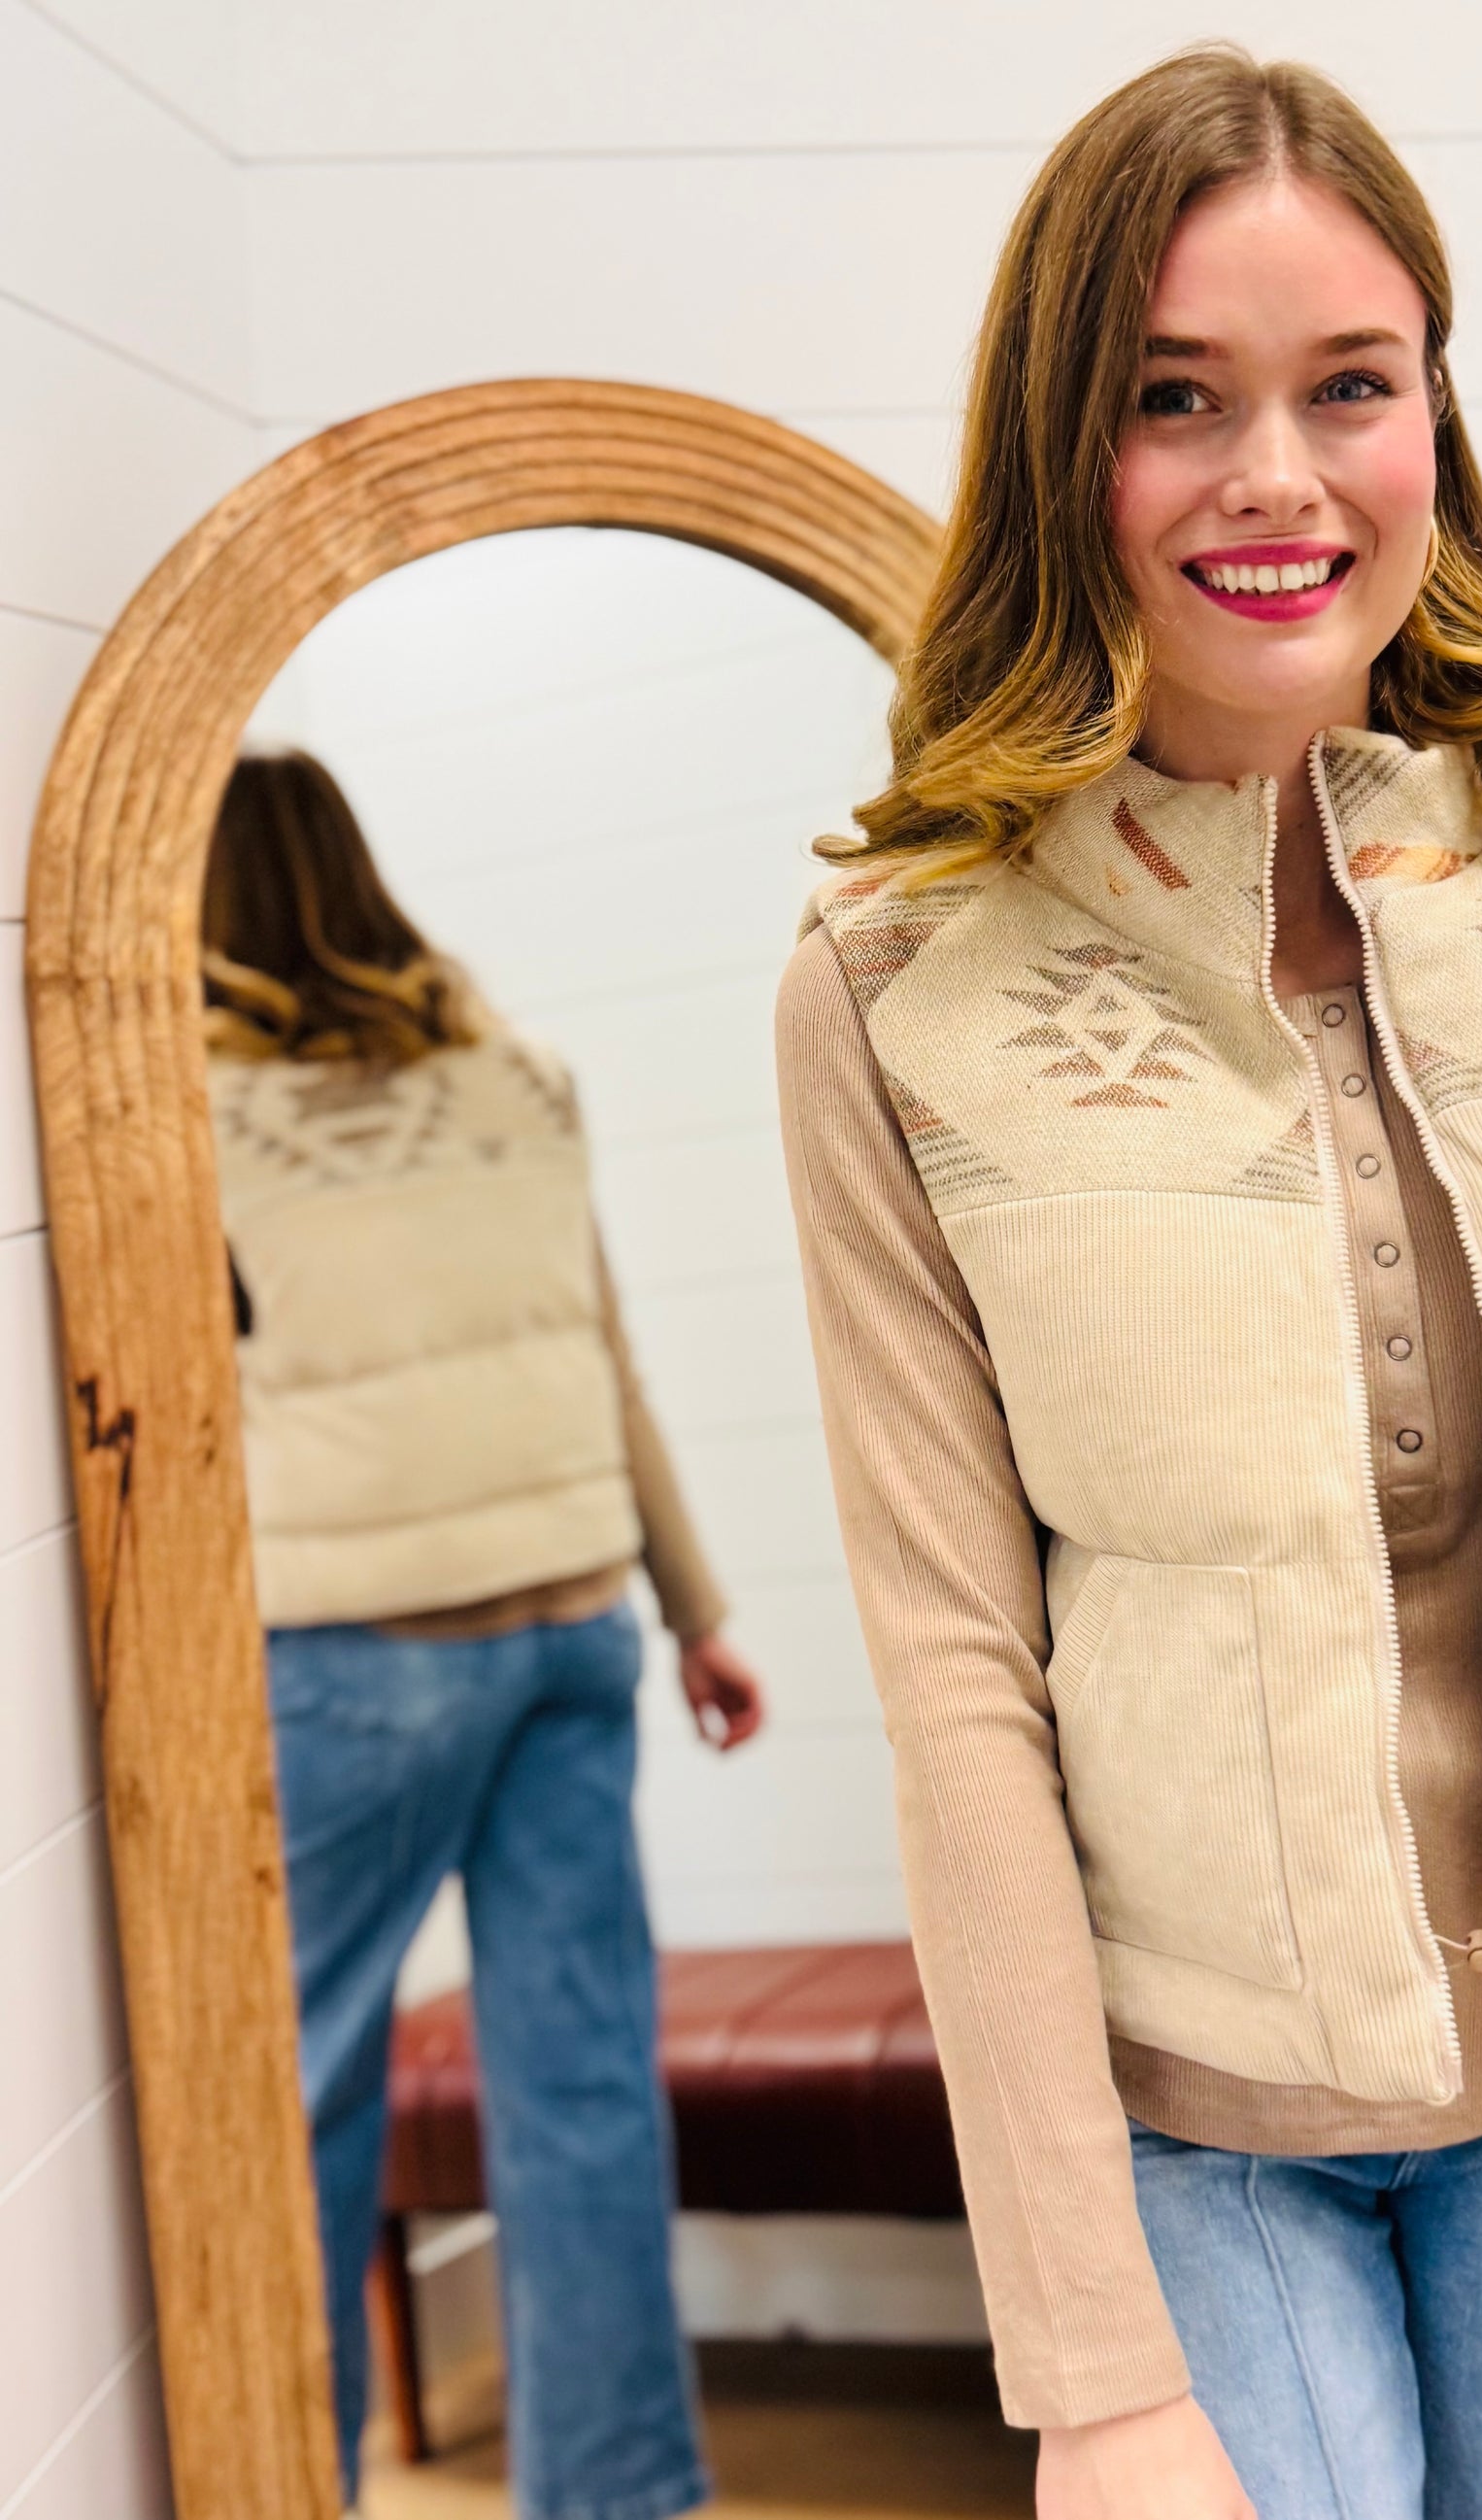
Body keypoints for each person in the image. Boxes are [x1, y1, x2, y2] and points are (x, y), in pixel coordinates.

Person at [776, 50, 1482, 2520]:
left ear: (1431, 425)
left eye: (1347, 387)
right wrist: (1087, 2366)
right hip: (1202, 2118)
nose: (1274, 476)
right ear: (1063, 444)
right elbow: (960, 1684)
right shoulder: (896, 994)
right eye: (1175, 399)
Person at [205, 749, 758, 2520]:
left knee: (303, 2092)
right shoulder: (517, 1076)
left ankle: (291, 2486)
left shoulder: (181, 1122)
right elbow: (610, 1356)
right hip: (571, 1623)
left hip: (350, 1659)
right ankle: (619, 2494)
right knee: (581, 2077)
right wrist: (696, 1609)